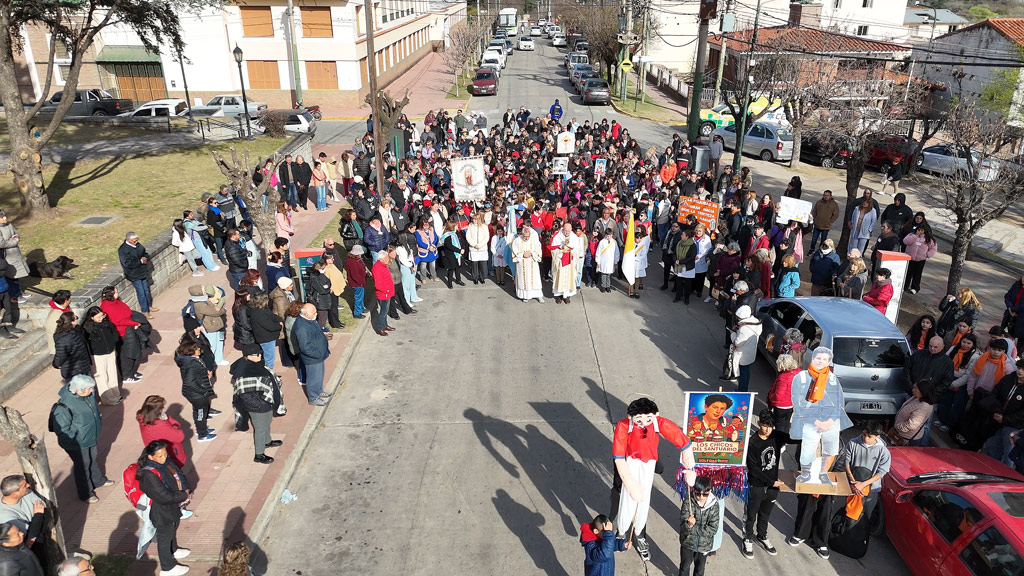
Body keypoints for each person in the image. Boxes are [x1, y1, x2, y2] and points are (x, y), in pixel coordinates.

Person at [609, 398, 695, 560]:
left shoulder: (657, 422)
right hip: (631, 463)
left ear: (655, 415)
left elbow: (682, 440)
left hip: (649, 463)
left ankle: (639, 533)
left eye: (648, 419)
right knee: (628, 498)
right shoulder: (624, 425)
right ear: (631, 416)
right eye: (639, 419)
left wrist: (689, 468)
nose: (644, 423)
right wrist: (629, 481)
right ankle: (621, 533)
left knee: (644, 499)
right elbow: (619, 456)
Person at [790, 347, 854, 484]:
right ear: (813, 358)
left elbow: (838, 402)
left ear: (829, 362)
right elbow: (798, 403)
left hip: (830, 420)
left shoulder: (832, 378)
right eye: (818, 358)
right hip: (810, 420)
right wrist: (817, 422)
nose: (821, 361)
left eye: (825, 359)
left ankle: (823, 473)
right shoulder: (801, 377)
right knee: (808, 447)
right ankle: (806, 473)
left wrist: (829, 422)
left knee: (830, 448)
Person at [830, 423, 890, 560]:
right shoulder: (853, 442)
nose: (865, 438)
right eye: (864, 434)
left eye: (869, 436)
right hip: (853, 485)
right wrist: (853, 481)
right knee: (849, 510)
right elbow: (847, 462)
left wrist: (863, 484)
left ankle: (857, 538)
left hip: (871, 489)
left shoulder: (883, 451)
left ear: (877, 437)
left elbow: (882, 471)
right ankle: (842, 536)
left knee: (864, 516)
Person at [50, 375, 113, 502]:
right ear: (78, 390)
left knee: (92, 459)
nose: (92, 390)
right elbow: (62, 429)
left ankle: (98, 480)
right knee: (82, 466)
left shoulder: (87, 396)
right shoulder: (64, 405)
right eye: (89, 388)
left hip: (90, 436)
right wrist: (77, 438)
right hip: (77, 442)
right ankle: (86, 493)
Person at [136, 440, 192, 576]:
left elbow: (178, 476)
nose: (164, 458)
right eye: (160, 456)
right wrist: (182, 495)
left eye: (165, 454)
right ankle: (167, 568)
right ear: (150, 457)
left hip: (173, 505)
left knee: (172, 528)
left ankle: (174, 550)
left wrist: (185, 490)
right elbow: (163, 496)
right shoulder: (148, 474)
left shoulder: (166, 462)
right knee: (164, 536)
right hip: (161, 510)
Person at [742, 410, 787, 559]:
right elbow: (753, 469)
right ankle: (747, 538)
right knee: (751, 514)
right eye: (765, 426)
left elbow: (794, 439)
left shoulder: (776, 436)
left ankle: (762, 536)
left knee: (765, 514)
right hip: (757, 486)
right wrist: (771, 481)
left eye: (771, 426)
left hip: (773, 487)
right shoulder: (752, 442)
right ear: (759, 424)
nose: (768, 429)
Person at [786, 448, 847, 559]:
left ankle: (820, 542)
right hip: (810, 480)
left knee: (824, 513)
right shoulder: (811, 439)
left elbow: (840, 466)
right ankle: (800, 534)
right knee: (806, 510)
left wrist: (829, 478)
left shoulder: (840, 446)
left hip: (828, 484)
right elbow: (799, 454)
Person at [230, 344, 284, 464]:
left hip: (266, 401)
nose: (260, 356)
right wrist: (259, 405)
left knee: (267, 422)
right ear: (247, 356)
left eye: (260, 353)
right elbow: (244, 394)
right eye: (257, 354)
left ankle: (267, 441)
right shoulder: (244, 371)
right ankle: (259, 454)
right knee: (260, 428)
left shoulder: (256, 363)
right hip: (258, 406)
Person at [175, 339, 218, 443]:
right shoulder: (191, 364)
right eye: (196, 349)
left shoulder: (189, 361)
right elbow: (189, 382)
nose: (199, 350)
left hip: (195, 392)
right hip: (196, 394)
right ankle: (202, 434)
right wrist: (203, 390)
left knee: (199, 411)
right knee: (200, 413)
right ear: (191, 351)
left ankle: (201, 429)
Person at [677, 475, 719, 576]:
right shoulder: (688, 502)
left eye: (705, 494)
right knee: (684, 567)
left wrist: (692, 528)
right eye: (698, 493)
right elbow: (682, 527)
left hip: (704, 546)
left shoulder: (714, 506)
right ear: (694, 490)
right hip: (687, 543)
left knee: (699, 570)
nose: (701, 497)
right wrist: (688, 525)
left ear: (710, 491)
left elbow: (713, 529)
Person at [983, 367, 1024, 465]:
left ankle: (1004, 476)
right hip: (997, 420)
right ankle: (990, 469)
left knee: (1008, 455)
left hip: (1013, 427)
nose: (1020, 371)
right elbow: (995, 392)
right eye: (1019, 368)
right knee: (992, 446)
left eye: (1023, 369)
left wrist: (1005, 419)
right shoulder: (1008, 378)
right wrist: (995, 410)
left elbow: (1022, 414)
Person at [293, 304, 331, 405]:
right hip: (313, 358)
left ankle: (319, 391)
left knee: (319, 376)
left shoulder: (309, 320)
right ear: (306, 314)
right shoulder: (302, 327)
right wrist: (318, 354)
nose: (316, 314)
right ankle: (313, 397)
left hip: (319, 355)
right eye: (314, 313)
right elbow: (305, 347)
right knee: (313, 378)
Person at [0, 476, 46, 559]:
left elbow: (44, 510)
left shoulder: (27, 492)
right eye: (24, 485)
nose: (28, 485)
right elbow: (28, 538)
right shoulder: (6, 517)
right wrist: (38, 515)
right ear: (14, 494)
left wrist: (37, 519)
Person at [137, 395, 187, 468]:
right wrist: (171, 423)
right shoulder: (160, 424)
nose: (163, 408)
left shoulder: (143, 418)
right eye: (162, 407)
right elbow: (180, 436)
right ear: (157, 410)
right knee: (174, 473)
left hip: (154, 451)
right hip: (169, 454)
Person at [118, 232, 158, 318]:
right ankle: (145, 311)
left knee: (146, 291)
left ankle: (149, 306)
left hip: (142, 272)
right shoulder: (123, 250)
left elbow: (144, 253)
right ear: (128, 240)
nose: (136, 242)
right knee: (141, 293)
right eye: (134, 241)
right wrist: (140, 261)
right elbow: (127, 263)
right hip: (134, 274)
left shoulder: (138, 245)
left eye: (137, 240)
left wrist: (145, 258)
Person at [891, 381, 937, 446]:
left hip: (908, 439)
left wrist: (897, 426)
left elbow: (911, 425)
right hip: (902, 434)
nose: (913, 390)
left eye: (916, 388)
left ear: (923, 391)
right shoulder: (917, 398)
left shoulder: (924, 407)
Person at [191, 285, 228, 366]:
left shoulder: (204, 301)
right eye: (203, 290)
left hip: (215, 325)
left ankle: (218, 360)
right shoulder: (200, 304)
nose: (206, 291)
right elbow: (215, 312)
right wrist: (223, 309)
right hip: (209, 327)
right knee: (212, 345)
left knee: (219, 342)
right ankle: (209, 362)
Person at [51, 311, 91, 383]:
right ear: (72, 322)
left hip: (82, 366)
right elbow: (61, 355)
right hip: (74, 370)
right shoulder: (65, 339)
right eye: (76, 318)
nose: (77, 319)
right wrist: (56, 364)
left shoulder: (75, 331)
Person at [768, 354, 799, 435]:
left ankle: (780, 444)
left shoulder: (783, 378)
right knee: (786, 423)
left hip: (781, 406)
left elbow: (778, 396)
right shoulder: (797, 373)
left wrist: (770, 397)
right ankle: (784, 440)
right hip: (791, 404)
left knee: (779, 425)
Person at [551, 222, 582, 304]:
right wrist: (561, 251)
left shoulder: (574, 237)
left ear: (571, 230)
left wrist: (571, 251)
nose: (566, 232)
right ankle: (559, 296)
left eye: (568, 231)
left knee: (569, 279)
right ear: (562, 229)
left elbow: (578, 249)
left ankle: (566, 296)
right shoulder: (558, 237)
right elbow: (553, 249)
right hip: (560, 262)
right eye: (565, 230)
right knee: (559, 278)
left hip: (570, 262)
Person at [511, 226, 544, 302]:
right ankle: (525, 296)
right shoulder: (517, 241)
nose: (526, 238)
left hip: (533, 263)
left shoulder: (534, 241)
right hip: (522, 263)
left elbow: (538, 251)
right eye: (525, 236)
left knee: (535, 280)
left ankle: (538, 295)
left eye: (528, 236)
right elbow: (514, 251)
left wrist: (532, 254)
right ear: (522, 234)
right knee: (524, 280)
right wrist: (523, 255)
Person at [902, 225, 937, 294]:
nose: (920, 232)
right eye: (919, 230)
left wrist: (928, 254)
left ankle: (915, 288)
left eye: (922, 230)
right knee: (908, 273)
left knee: (917, 274)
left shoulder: (928, 239)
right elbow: (905, 241)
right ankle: (905, 286)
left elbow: (933, 248)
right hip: (910, 258)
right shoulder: (911, 235)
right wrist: (915, 235)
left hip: (920, 259)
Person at [372, 250, 396, 336]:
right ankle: (379, 328)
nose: (388, 259)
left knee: (385, 311)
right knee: (383, 312)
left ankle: (384, 325)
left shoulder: (383, 265)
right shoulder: (377, 268)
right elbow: (378, 284)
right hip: (383, 294)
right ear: (381, 259)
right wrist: (386, 291)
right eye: (386, 258)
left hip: (387, 292)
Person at [1003, 274, 1024, 358]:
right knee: (1007, 334)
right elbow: (1007, 296)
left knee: (1021, 339)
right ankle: (1006, 353)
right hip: (1010, 314)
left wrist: (1013, 309)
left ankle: (1017, 356)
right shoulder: (1016, 285)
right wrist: (1010, 308)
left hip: (1022, 318)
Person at [466, 213, 490, 285]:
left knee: (482, 264)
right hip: (473, 249)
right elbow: (468, 237)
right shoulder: (470, 226)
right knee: (474, 264)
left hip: (482, 248)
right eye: (473, 219)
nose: (474, 220)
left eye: (475, 219)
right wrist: (473, 244)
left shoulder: (484, 226)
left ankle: (482, 277)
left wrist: (479, 245)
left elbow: (486, 237)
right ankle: (475, 277)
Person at [439, 222, 465, 289]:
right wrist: (459, 250)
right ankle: (449, 282)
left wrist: (463, 248)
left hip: (457, 254)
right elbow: (449, 246)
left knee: (458, 268)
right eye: (456, 226)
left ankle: (458, 280)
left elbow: (461, 241)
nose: (457, 226)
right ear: (452, 227)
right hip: (451, 255)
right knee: (451, 269)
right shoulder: (448, 235)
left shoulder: (455, 233)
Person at [345, 245, 368, 319]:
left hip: (359, 282)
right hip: (357, 283)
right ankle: (357, 312)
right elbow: (355, 275)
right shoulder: (352, 262)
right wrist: (361, 282)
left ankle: (361, 308)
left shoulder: (356, 259)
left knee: (361, 297)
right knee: (358, 298)